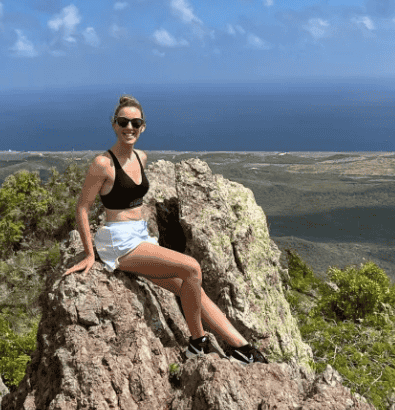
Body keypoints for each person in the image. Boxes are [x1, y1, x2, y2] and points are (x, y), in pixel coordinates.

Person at [63, 94, 268, 364]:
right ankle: (197, 342)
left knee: (189, 287)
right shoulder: (103, 164)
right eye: (123, 122)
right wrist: (89, 254)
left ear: (143, 127)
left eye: (135, 123)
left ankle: (242, 347)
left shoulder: (141, 157)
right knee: (192, 268)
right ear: (114, 125)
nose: (129, 128)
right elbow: (82, 208)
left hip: (140, 237)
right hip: (119, 242)